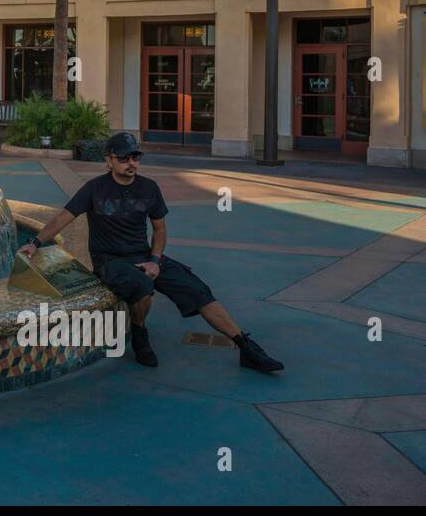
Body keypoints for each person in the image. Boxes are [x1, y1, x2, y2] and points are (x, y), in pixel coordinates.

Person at [20, 132, 284, 374]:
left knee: (198, 291)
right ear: (109, 160)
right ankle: (139, 333)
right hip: (110, 262)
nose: (131, 163)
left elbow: (159, 231)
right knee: (142, 286)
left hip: (145, 256)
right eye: (124, 158)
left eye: (135, 157)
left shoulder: (149, 188)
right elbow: (62, 218)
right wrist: (35, 242)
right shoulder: (95, 189)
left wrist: (155, 260)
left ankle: (245, 347)